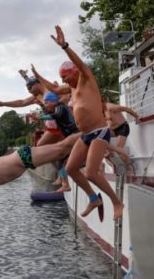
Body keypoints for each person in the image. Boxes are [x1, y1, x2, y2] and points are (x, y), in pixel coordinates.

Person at [47, 25, 125, 221]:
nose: (63, 80)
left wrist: (64, 46)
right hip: (85, 135)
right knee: (71, 168)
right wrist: (35, 77)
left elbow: (80, 64)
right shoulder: (71, 89)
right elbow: (54, 91)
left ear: (73, 72)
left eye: (64, 76)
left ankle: (116, 202)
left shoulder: (86, 78)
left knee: (90, 172)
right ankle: (93, 198)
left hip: (99, 132)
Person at [0, 133, 82, 212]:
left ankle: (89, 133)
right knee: (61, 150)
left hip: (22, 159)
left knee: (62, 148)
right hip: (23, 159)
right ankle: (87, 140)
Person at [103, 100, 140, 175]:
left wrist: (136, 117)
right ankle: (110, 155)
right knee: (99, 136)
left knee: (118, 149)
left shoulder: (110, 107)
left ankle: (130, 168)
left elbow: (126, 109)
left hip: (122, 128)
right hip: (113, 130)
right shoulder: (99, 110)